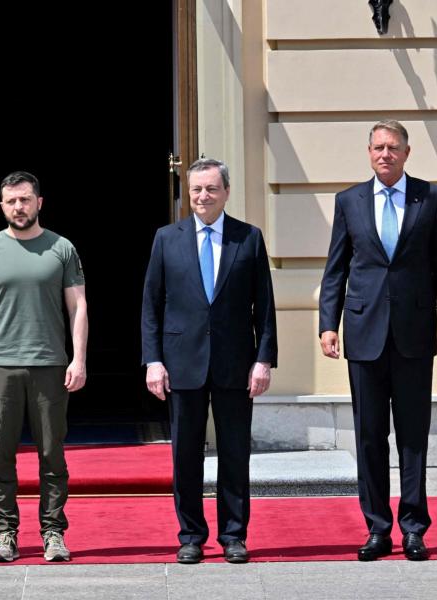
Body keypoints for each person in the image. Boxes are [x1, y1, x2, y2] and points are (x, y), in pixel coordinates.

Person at [319, 120, 437, 562]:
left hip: (415, 335)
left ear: (406, 152)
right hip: (363, 335)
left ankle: (414, 528)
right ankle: (377, 529)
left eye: (393, 147)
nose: (385, 154)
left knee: (413, 436)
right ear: (369, 153)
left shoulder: (432, 199)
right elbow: (336, 269)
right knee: (368, 436)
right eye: (378, 147)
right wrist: (329, 324)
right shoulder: (349, 201)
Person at [141, 158, 277, 564]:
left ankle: (234, 535)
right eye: (197, 189)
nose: (203, 196)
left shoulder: (248, 238)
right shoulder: (167, 238)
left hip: (236, 363)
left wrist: (263, 359)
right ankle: (191, 536)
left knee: (235, 452)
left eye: (211, 189)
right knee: (185, 455)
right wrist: (153, 360)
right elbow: (151, 306)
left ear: (226, 192)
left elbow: (264, 308)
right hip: (182, 363)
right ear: (189, 192)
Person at [0, 171, 88, 563]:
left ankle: (53, 532)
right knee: (1, 455)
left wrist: (79, 358)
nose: (19, 206)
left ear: (39, 202)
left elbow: (78, 306)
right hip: (0, 365)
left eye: (25, 199)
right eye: (12, 201)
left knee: (53, 453)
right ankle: (5, 534)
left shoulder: (62, 248)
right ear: (2, 206)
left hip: (50, 364)